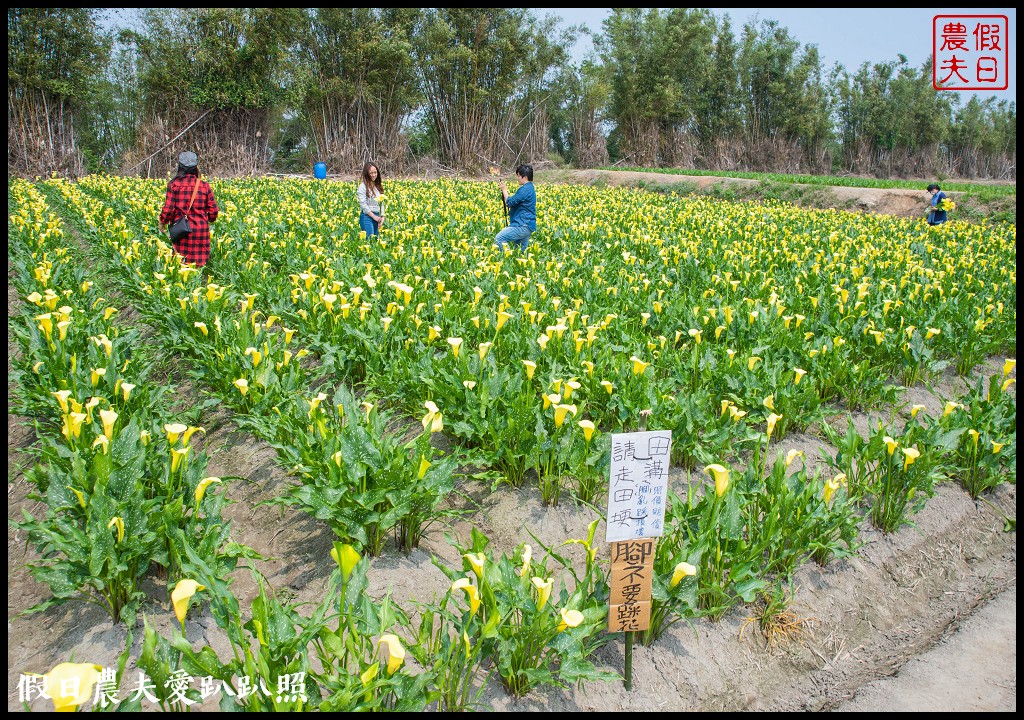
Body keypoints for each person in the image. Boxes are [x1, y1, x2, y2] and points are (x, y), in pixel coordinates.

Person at [158, 151, 219, 267]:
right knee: (199, 267)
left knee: (182, 266)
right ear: (196, 167)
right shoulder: (204, 186)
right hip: (200, 233)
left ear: (180, 167)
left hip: (181, 232)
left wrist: (162, 222)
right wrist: (209, 219)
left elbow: (168, 209)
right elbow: (214, 212)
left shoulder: (174, 184)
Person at [495, 164, 536, 252]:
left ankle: (508, 257)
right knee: (520, 254)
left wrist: (504, 190)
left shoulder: (524, 189)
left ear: (524, 177)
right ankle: (513, 262)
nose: (517, 178)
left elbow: (510, 203)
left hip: (522, 225)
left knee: (499, 238)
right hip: (528, 226)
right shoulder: (530, 188)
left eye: (518, 176)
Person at [357, 162, 385, 239]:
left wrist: (382, 216)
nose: (373, 175)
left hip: (377, 217)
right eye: (371, 173)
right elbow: (363, 205)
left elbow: (382, 202)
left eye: (375, 172)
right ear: (367, 174)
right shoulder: (362, 187)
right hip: (367, 217)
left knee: (375, 243)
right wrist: (374, 217)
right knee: (370, 241)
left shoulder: (377, 186)